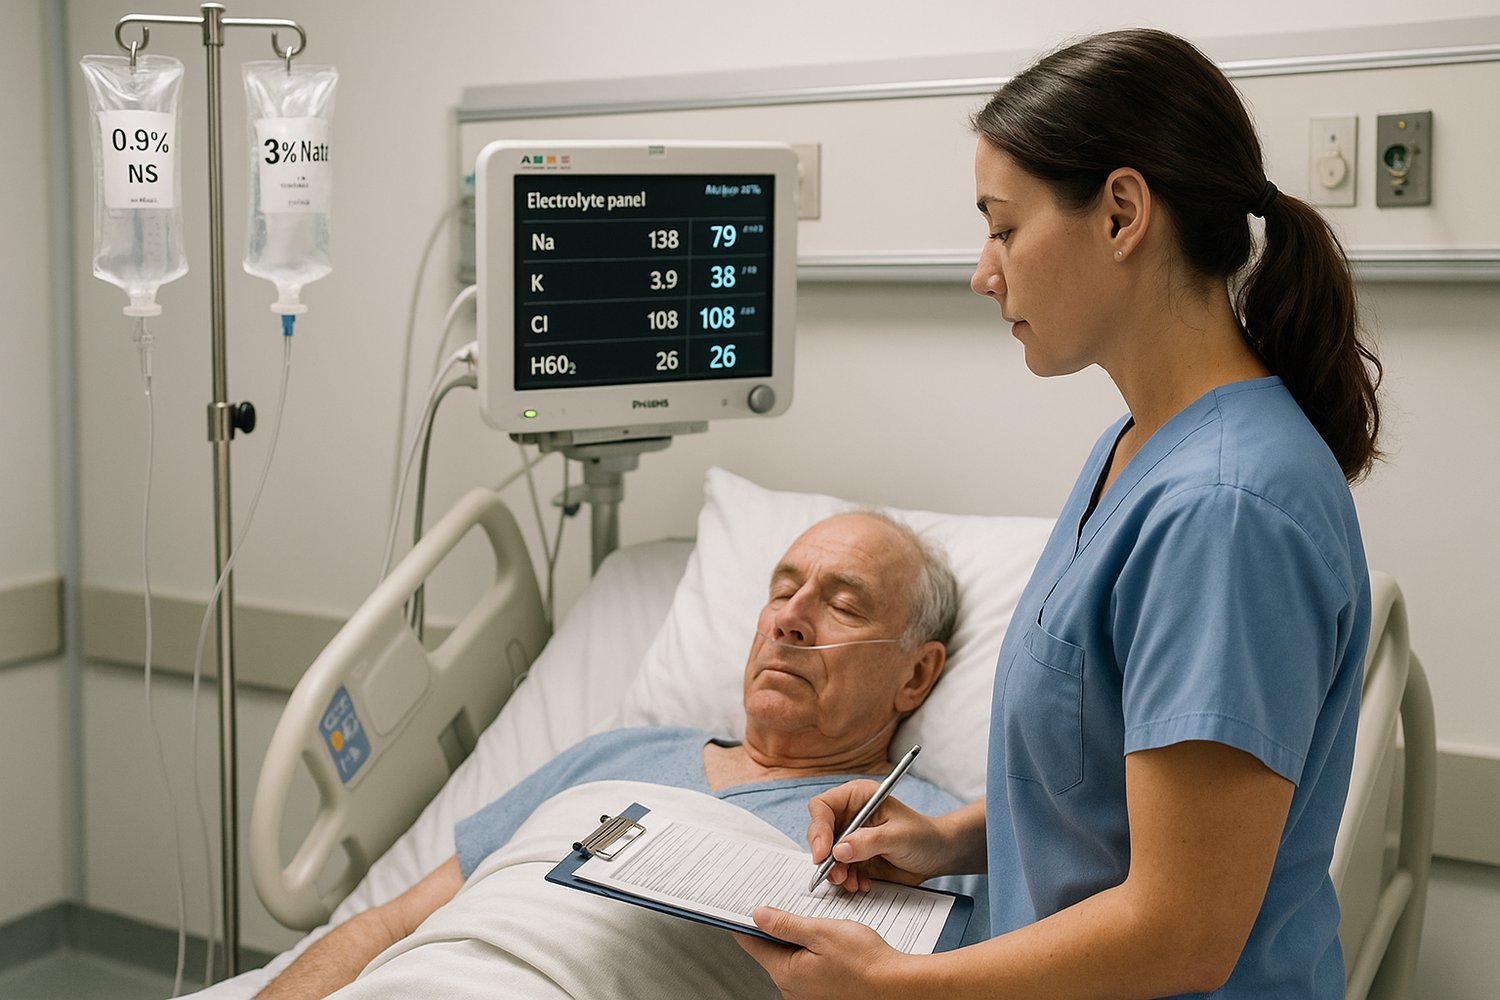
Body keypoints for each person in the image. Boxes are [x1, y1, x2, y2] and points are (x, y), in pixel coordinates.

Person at [738, 28, 1381, 1000]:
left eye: (1003, 226)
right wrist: (947, 836)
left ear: (1122, 212)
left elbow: (1184, 930)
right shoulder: (1134, 450)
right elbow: (1118, 792)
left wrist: (894, 989)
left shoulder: (1225, 513)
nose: (984, 271)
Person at [255, 509, 982, 999]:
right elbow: (394, 924)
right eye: (783, 591)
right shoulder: (615, 752)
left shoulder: (935, 840)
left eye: (843, 605)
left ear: (917, 673)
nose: (791, 619)